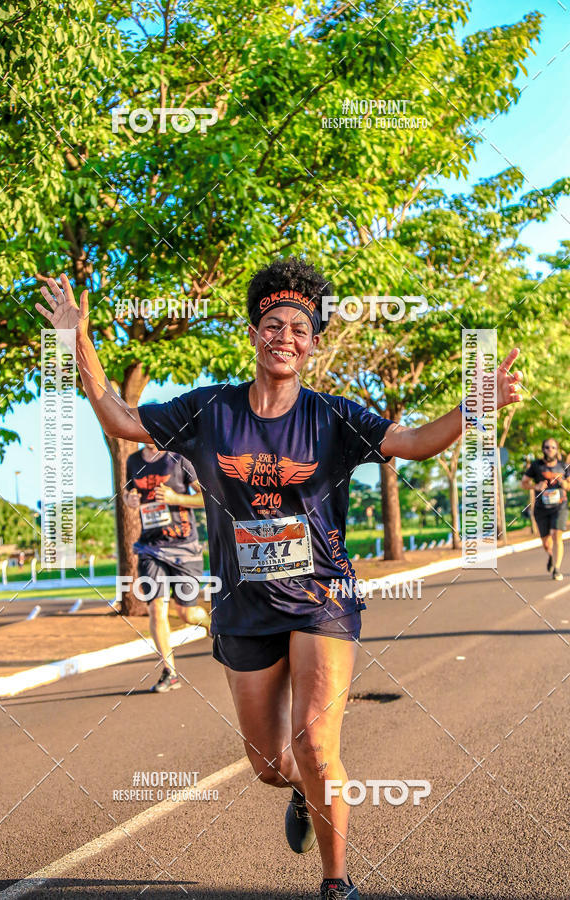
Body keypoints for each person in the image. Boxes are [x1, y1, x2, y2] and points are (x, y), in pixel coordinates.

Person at [36, 260, 522, 900]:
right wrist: (76, 341)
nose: (284, 336)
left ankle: (336, 882)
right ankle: (299, 787)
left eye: (299, 327)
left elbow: (413, 442)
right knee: (269, 763)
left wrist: (475, 404)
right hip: (244, 607)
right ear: (253, 334)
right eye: (272, 324)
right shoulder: (209, 410)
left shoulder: (333, 416)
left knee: (317, 745)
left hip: (323, 596)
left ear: (313, 341)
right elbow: (121, 421)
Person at [123, 442, 210, 692]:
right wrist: (130, 500)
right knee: (156, 608)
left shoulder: (179, 458)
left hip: (184, 547)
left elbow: (207, 496)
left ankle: (210, 624)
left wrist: (175, 498)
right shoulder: (133, 461)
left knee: (186, 613)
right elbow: (129, 493)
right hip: (150, 548)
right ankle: (169, 672)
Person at [521, 438, 570, 581]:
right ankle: (551, 555)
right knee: (546, 542)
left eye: (553, 447)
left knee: (556, 534)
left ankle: (556, 569)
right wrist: (535, 486)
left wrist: (564, 484)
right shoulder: (536, 466)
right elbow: (523, 483)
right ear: (543, 449)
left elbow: (569, 486)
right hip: (541, 509)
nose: (550, 450)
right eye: (547, 447)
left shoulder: (563, 466)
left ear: (557, 450)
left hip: (559, 506)